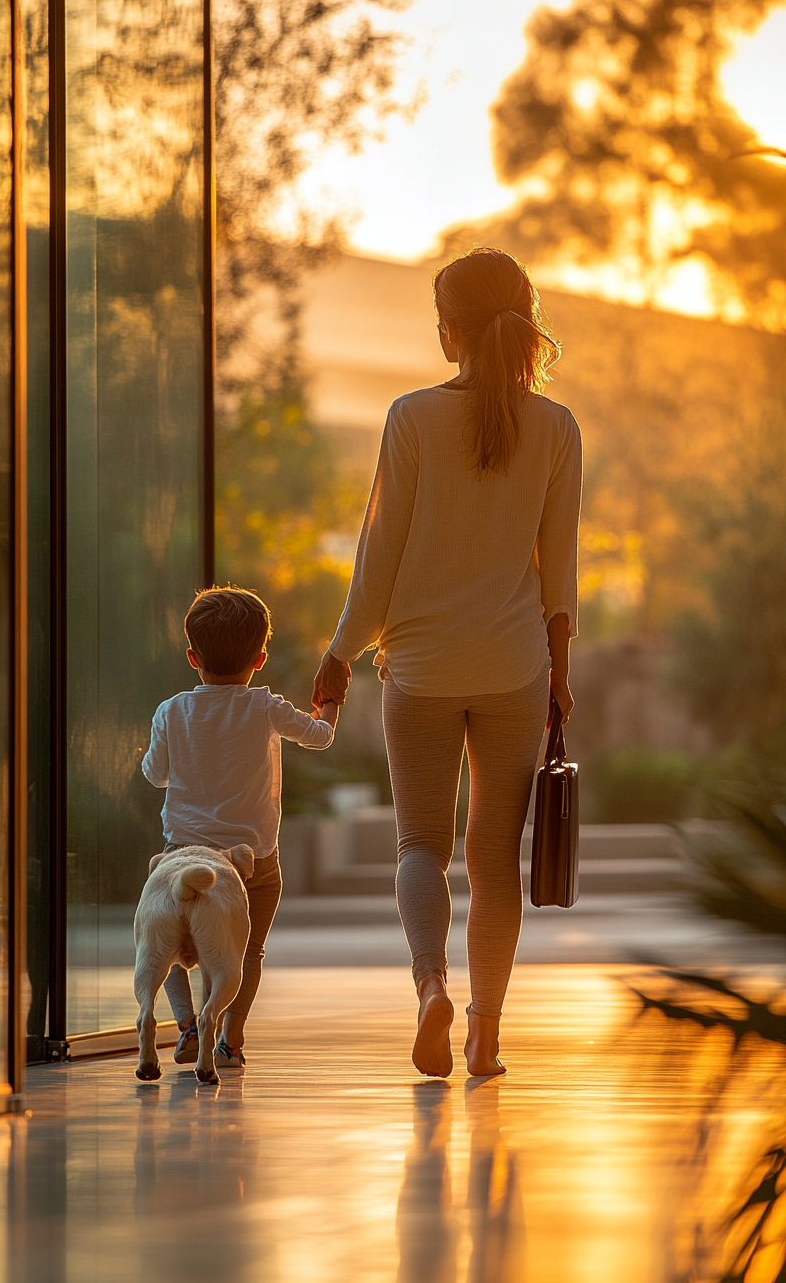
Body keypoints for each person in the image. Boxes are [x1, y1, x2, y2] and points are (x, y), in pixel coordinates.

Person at [313, 248, 582, 1079]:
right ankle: (486, 1034)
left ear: (450, 331)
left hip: (420, 668)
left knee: (419, 846)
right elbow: (560, 573)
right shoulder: (557, 427)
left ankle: (430, 988)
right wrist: (559, 675)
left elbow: (379, 552)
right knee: (494, 857)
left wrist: (339, 653)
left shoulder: (410, 416)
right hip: (513, 666)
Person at [142, 585, 338, 1072]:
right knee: (248, 948)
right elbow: (320, 737)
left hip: (181, 854)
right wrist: (330, 702)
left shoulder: (172, 710)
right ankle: (228, 1041)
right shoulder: (265, 706)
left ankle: (187, 1026)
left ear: (192, 656)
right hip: (253, 861)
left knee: (162, 943)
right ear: (260, 657)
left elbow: (155, 774)